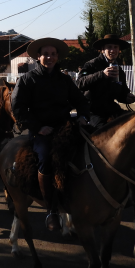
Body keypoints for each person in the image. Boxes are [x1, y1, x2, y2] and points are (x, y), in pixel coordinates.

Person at [11, 38, 90, 232]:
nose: (50, 57)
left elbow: (81, 101)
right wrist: (38, 127)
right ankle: (52, 210)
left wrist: (83, 117)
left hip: (65, 127)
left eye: (53, 54)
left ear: (57, 56)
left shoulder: (64, 79)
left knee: (91, 148)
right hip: (41, 131)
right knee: (45, 159)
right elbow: (18, 107)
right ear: (38, 57)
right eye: (46, 54)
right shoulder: (27, 79)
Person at [76, 34, 135, 130]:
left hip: (111, 109)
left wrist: (127, 97)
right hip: (92, 111)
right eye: (109, 47)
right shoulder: (91, 65)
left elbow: (122, 93)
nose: (113, 50)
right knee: (105, 131)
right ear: (103, 49)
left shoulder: (119, 70)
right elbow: (79, 83)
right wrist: (102, 74)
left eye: (115, 47)